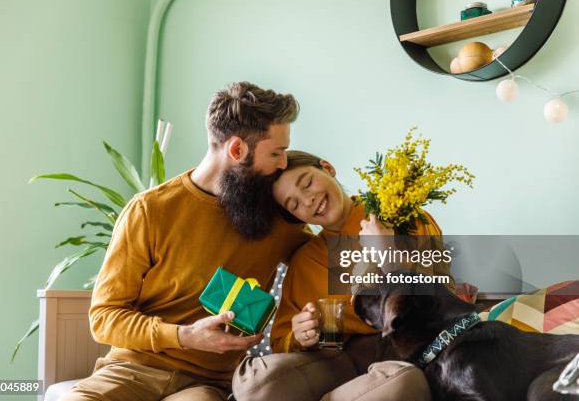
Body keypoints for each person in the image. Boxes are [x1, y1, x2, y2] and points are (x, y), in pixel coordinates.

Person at [60, 83, 312, 401]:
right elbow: (105, 317)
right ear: (237, 151)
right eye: (276, 152)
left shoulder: (277, 219)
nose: (283, 164)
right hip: (130, 372)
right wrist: (186, 336)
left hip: (204, 385)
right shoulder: (150, 210)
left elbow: (330, 257)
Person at [232, 151, 454, 401]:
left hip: (407, 354)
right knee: (257, 385)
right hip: (339, 361)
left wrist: (389, 258)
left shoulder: (402, 218)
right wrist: (300, 334)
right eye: (293, 205)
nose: (307, 200)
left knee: (400, 383)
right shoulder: (305, 262)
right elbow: (283, 340)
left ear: (328, 167)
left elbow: (443, 300)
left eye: (307, 183)